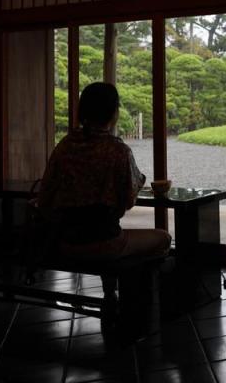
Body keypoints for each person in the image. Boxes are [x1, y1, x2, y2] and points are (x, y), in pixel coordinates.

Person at [38, 82, 170, 262]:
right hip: (105, 242)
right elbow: (129, 200)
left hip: (65, 242)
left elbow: (46, 193)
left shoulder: (65, 146)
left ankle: (109, 291)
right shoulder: (118, 150)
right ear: (114, 113)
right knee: (163, 238)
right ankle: (138, 289)